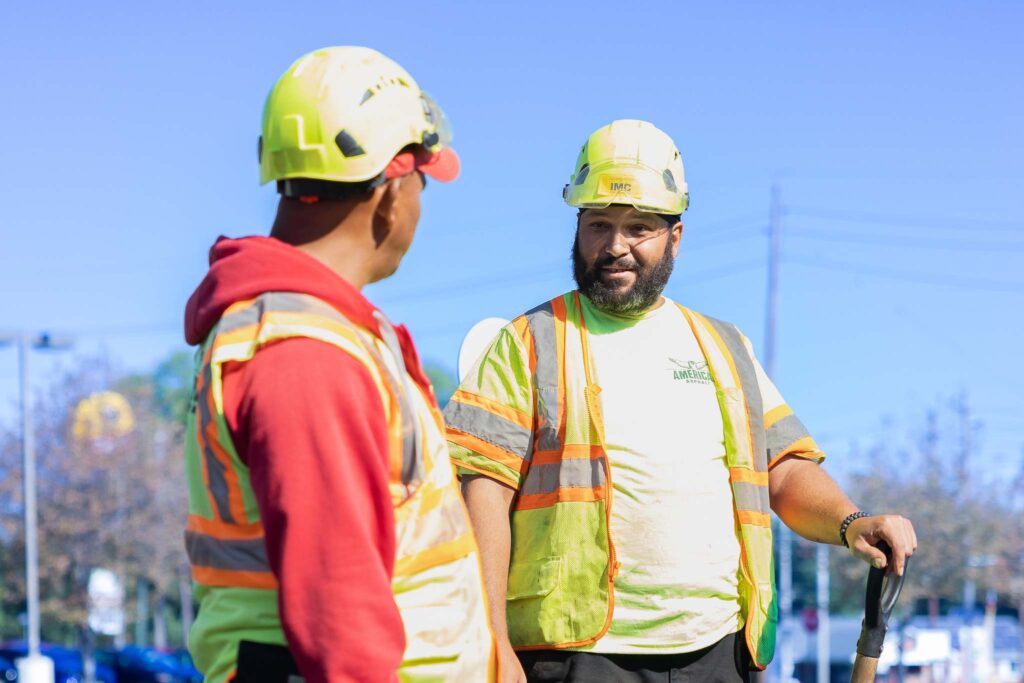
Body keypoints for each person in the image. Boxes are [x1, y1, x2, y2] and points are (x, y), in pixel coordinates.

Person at [444, 119, 917, 683]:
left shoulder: (724, 347)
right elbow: (482, 493)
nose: (614, 246)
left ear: (676, 236)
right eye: (598, 224)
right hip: (576, 655)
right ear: (577, 227)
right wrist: (492, 640)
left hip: (720, 652)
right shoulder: (528, 342)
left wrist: (851, 521)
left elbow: (783, 471)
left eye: (638, 227)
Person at [182, 46, 495, 683]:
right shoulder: (306, 354)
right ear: (390, 193)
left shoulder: (318, 331)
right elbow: (338, 613)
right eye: (423, 183)